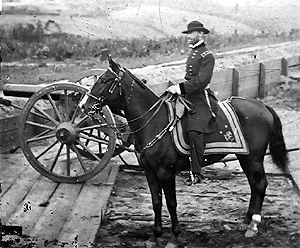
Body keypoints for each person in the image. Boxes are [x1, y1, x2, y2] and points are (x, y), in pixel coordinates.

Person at [166, 21, 218, 186]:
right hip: (189, 93)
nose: (188, 36)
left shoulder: (207, 55)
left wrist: (180, 88)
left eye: (191, 33)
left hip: (201, 97)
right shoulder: (194, 52)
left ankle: (196, 172)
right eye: (188, 34)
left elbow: (201, 81)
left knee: (194, 131)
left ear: (201, 34)